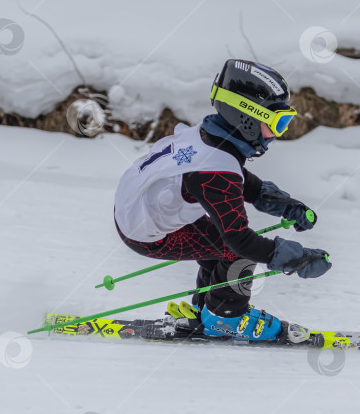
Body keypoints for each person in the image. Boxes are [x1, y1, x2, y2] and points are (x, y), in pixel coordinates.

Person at [113, 59, 331, 343]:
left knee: (222, 246)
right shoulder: (213, 170)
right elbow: (239, 239)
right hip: (145, 231)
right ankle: (225, 318)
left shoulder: (212, 138)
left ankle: (207, 310)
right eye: (277, 122)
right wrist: (297, 259)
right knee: (236, 253)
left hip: (141, 209)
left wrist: (285, 205)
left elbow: (236, 179)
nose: (278, 133)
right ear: (247, 117)